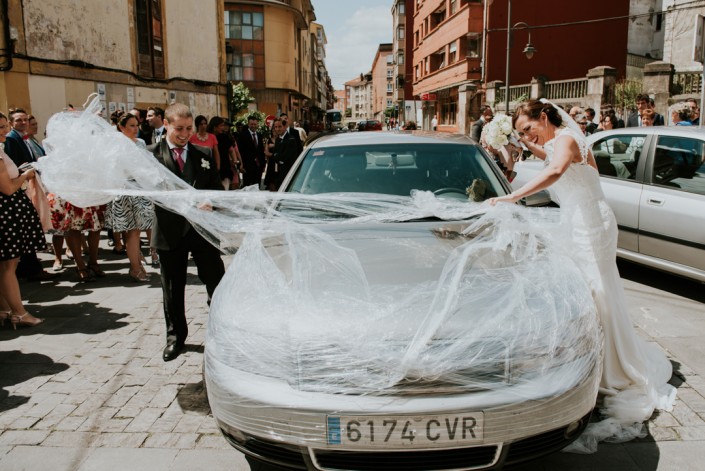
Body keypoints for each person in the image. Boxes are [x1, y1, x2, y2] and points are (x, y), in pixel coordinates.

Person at [489, 99, 675, 452]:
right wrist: (516, 143)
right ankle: (597, 357)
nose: (527, 135)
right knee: (587, 293)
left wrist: (512, 197)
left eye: (528, 128)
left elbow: (556, 171)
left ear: (544, 117)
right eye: (522, 132)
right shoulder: (556, 141)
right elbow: (547, 155)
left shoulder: (566, 142)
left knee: (598, 291)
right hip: (577, 222)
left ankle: (611, 369)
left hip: (591, 223)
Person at [149, 103, 225, 362]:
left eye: (188, 128)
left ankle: (221, 333)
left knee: (216, 282)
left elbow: (217, 190)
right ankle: (175, 338)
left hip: (202, 230)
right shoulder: (150, 156)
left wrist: (211, 203)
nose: (184, 134)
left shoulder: (203, 154)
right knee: (172, 288)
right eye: (179, 128)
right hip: (169, 232)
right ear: (166, 125)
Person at [0, 111, 45, 329]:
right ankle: (19, 312)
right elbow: (7, 188)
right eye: (0, 127)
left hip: (6, 211)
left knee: (3, 266)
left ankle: (4, 309)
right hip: (6, 212)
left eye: (4, 126)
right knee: (9, 266)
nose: (5, 131)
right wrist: (25, 176)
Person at [4, 109, 59, 282]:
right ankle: (29, 269)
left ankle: (30, 268)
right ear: (12, 123)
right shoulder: (12, 139)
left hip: (26, 186)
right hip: (18, 189)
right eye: (18, 120)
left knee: (27, 232)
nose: (23, 123)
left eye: (25, 119)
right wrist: (25, 172)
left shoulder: (24, 138)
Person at [105, 113, 155, 282]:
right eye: (131, 126)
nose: (136, 129)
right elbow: (114, 169)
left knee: (143, 228)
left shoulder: (140, 143)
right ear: (121, 128)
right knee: (132, 232)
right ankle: (135, 267)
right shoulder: (116, 145)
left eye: (137, 125)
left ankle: (138, 259)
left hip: (141, 189)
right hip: (125, 189)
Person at [264, 118, 299, 191]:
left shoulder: (290, 140)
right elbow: (277, 156)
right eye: (275, 127)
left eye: (279, 126)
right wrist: (276, 156)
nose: (277, 129)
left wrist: (274, 155)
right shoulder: (278, 139)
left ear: (285, 127)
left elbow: (283, 157)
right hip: (277, 175)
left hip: (287, 175)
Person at [236, 115, 266, 188]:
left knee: (257, 187)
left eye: (255, 124)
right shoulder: (242, 135)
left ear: (257, 124)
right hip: (247, 167)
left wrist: (263, 164)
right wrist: (240, 165)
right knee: (247, 187)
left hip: (258, 167)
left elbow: (261, 150)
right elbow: (239, 151)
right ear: (248, 124)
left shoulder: (259, 135)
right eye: (251, 124)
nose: (253, 126)